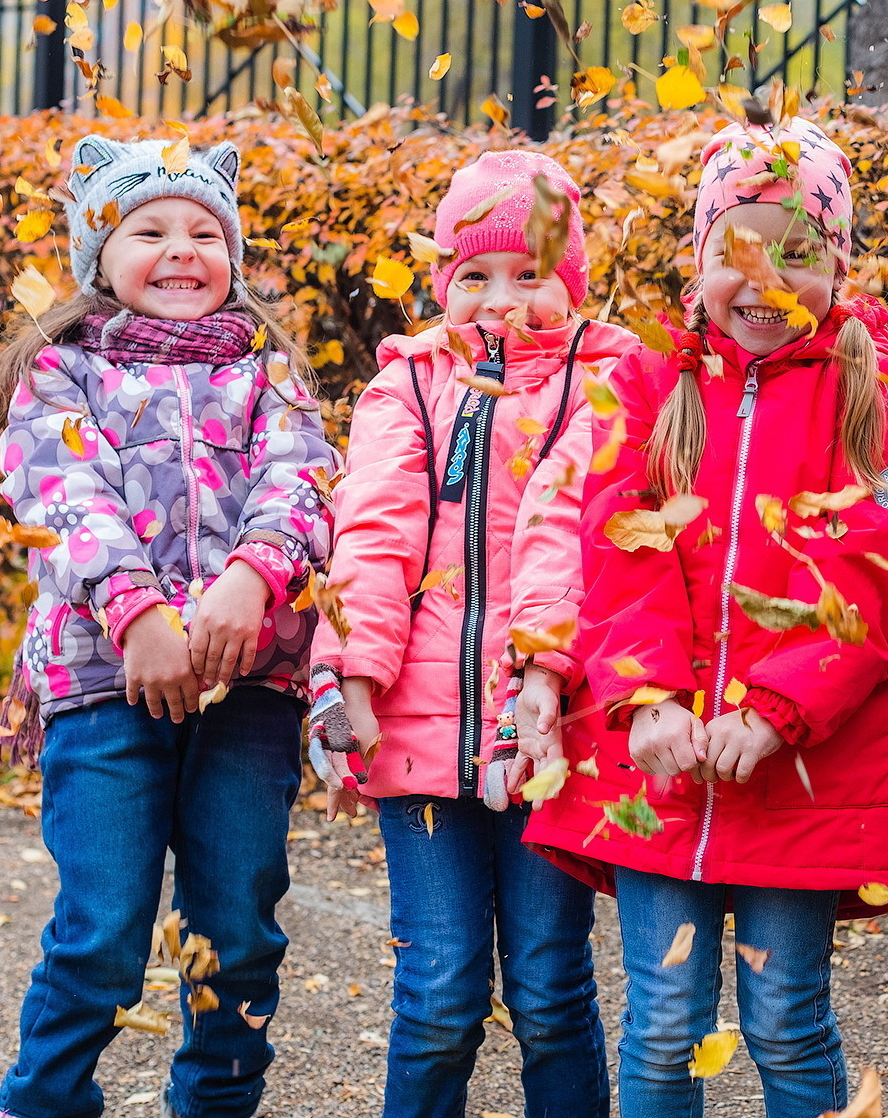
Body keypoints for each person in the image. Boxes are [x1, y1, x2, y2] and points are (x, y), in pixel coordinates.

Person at [522, 117, 888, 1118]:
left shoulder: (871, 398)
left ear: (836, 264)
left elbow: (876, 570)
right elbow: (620, 546)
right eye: (736, 251)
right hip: (658, 757)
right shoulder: (648, 384)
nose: (764, 280)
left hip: (800, 761)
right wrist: (647, 699)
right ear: (697, 256)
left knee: (787, 1017)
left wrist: (776, 708)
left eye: (798, 252)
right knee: (662, 1023)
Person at [0, 135, 336, 1118]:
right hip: (105, 685)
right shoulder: (60, 372)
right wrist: (136, 610)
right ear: (99, 254)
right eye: (150, 229)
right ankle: (44, 1102)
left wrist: (252, 577)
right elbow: (56, 495)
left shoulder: (269, 374)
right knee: (102, 924)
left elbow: (306, 482)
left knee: (236, 922)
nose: (182, 248)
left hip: (247, 687)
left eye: (204, 231)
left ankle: (217, 1105)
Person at [303, 150, 633, 1118]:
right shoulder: (408, 384)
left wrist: (539, 668)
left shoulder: (608, 380)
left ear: (567, 279)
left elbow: (574, 539)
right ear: (443, 279)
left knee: (547, 989)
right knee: (440, 991)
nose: (499, 299)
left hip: (549, 730)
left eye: (529, 275)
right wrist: (350, 675)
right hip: (415, 733)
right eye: (473, 276)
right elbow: (373, 530)